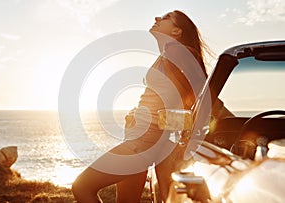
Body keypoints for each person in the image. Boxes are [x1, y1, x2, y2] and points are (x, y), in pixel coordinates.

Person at [72, 10, 208, 203]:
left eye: (166, 17)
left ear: (177, 31)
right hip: (140, 139)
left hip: (142, 143)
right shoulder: (168, 54)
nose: (157, 18)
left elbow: (204, 93)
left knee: (82, 187)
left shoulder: (176, 51)